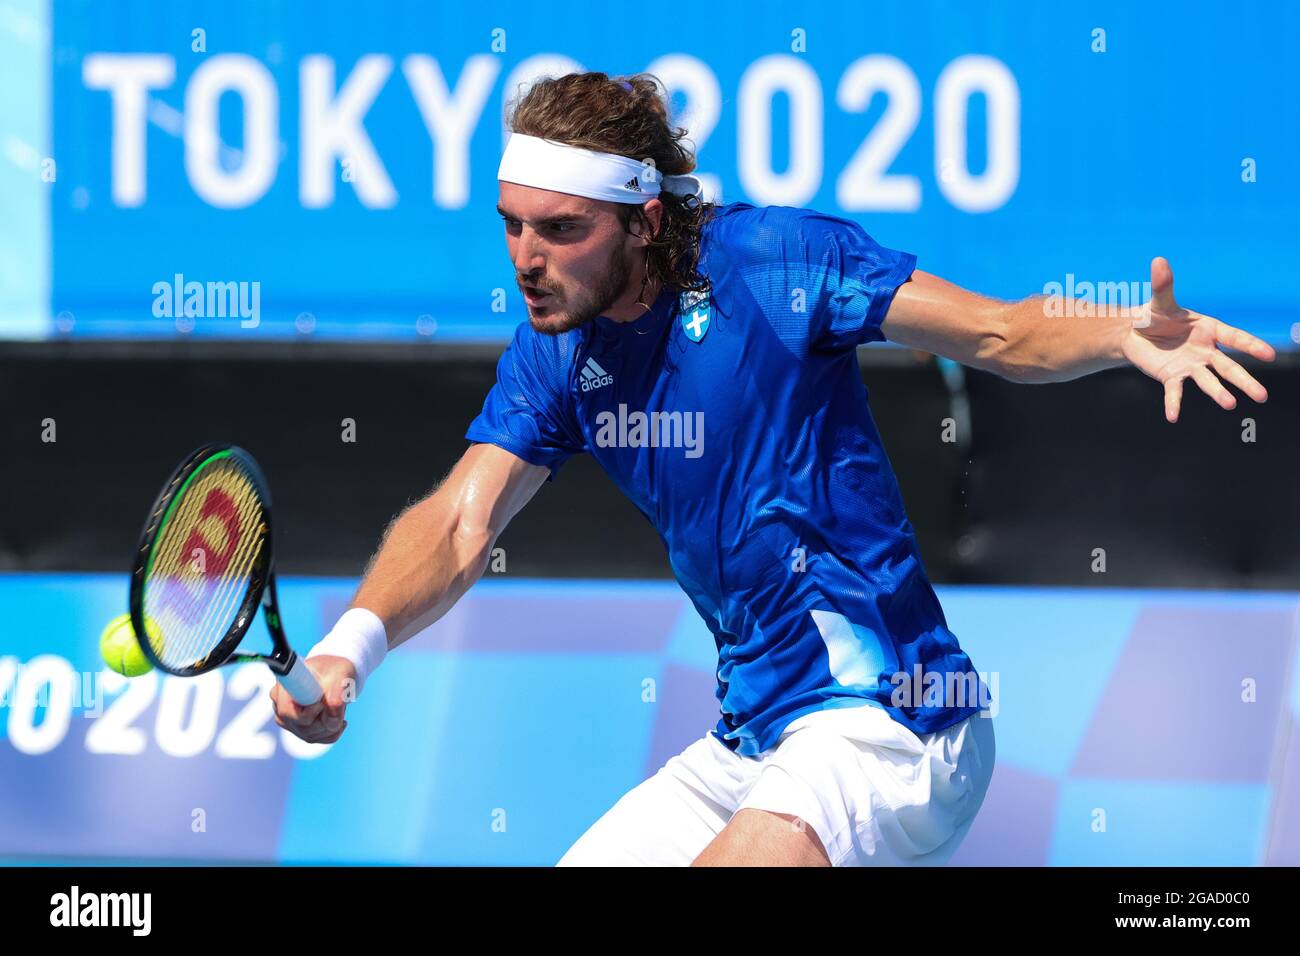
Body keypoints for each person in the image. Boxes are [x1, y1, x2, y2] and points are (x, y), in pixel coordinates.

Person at [271, 72, 1275, 866]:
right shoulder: (555, 351)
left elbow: (999, 331)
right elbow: (459, 522)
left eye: (562, 230)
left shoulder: (778, 263)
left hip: (895, 724)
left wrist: (1122, 330)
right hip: (753, 741)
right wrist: (349, 649)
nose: (527, 258)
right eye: (512, 225)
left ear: (645, 220)